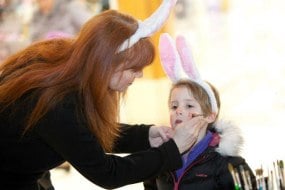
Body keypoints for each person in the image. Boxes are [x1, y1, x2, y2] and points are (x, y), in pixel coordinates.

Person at [0, 0, 207, 189]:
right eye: (133, 69)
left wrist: (145, 135)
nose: (140, 74)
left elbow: (83, 133)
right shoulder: (56, 102)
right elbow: (108, 173)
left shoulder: (68, 60)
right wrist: (173, 149)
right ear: (107, 63)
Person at [143, 33, 257, 190]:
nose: (179, 111)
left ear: (210, 115)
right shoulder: (161, 156)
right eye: (174, 106)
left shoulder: (227, 163)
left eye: (189, 106)